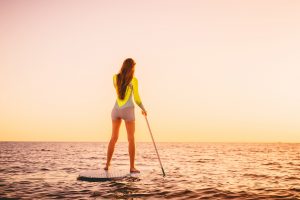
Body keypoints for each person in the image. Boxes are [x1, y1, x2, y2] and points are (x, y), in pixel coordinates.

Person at [104, 58, 147, 173]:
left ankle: (107, 165)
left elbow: (118, 92)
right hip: (128, 110)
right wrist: (143, 109)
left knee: (114, 138)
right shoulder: (134, 80)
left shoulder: (115, 77)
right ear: (132, 67)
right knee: (131, 139)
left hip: (116, 110)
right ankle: (132, 167)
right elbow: (137, 99)